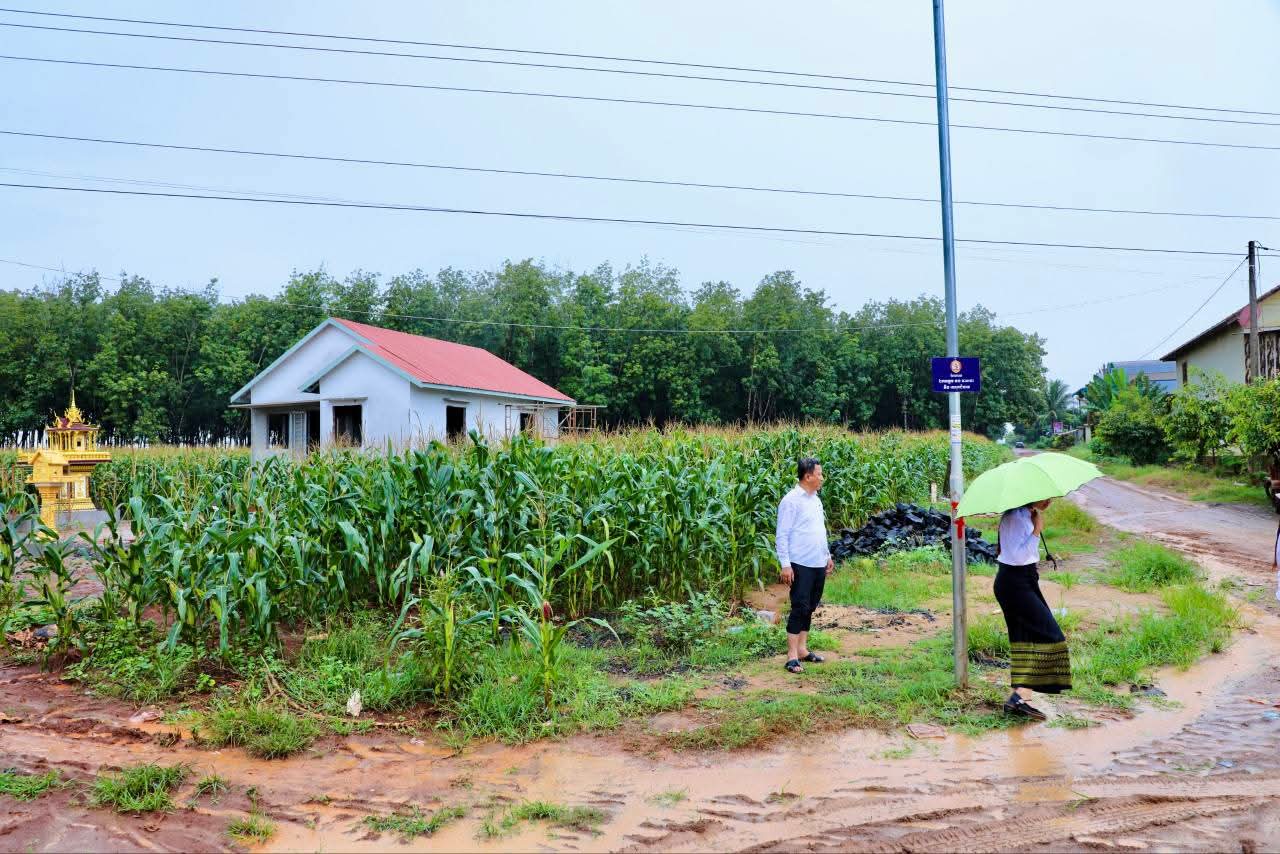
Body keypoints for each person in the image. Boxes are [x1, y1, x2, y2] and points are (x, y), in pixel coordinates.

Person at [993, 498, 1071, 720]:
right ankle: (1020, 696)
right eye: (1045, 497)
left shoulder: (1025, 514)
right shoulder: (1015, 517)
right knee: (1052, 636)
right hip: (1015, 582)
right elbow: (1017, 557)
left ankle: (1022, 700)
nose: (1049, 501)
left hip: (1023, 580)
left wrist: (1035, 523)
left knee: (1025, 638)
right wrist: (1037, 529)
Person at [775, 457, 834, 674]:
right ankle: (791, 656)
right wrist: (785, 565)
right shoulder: (791, 501)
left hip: (818, 561)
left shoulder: (816, 500)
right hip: (800, 563)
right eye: (819, 474)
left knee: (810, 606)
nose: (822, 478)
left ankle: (802, 649)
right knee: (799, 606)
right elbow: (782, 535)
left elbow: (819, 530)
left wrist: (827, 555)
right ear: (808, 476)